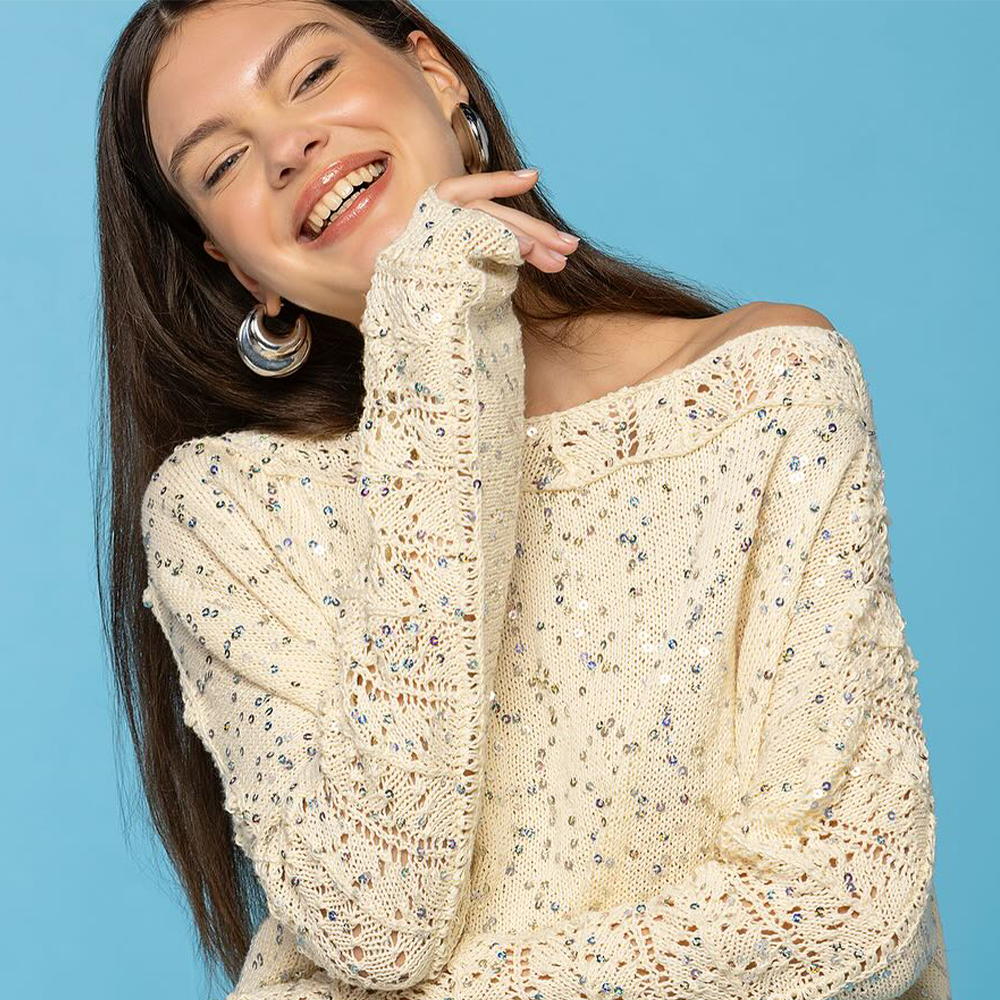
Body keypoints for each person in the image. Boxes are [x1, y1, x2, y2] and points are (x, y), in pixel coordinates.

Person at [95, 1, 951, 998]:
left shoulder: (765, 388)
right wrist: (434, 343)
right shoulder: (227, 510)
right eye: (223, 164)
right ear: (239, 265)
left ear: (436, 74)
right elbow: (375, 924)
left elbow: (851, 912)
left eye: (313, 76)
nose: (287, 150)